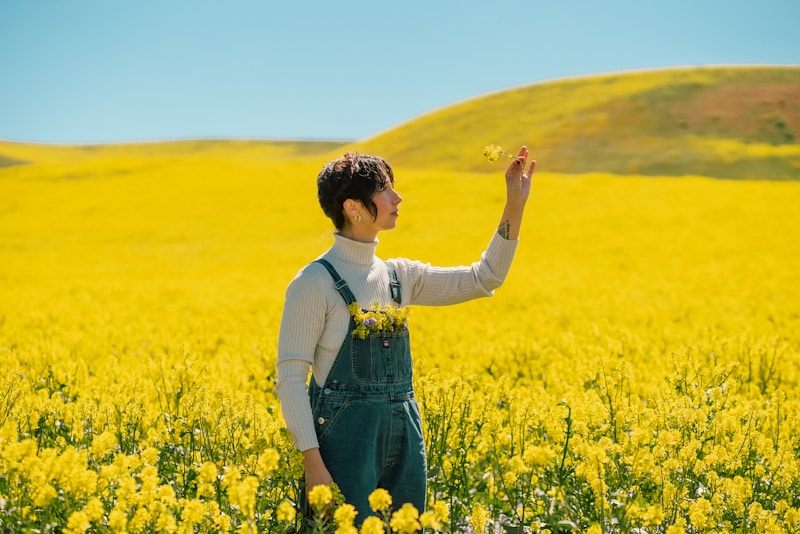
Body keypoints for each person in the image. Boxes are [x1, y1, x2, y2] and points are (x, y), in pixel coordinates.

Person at [276, 146, 534, 524]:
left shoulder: (400, 277)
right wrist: (313, 465)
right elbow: (290, 382)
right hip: (344, 449)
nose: (398, 198)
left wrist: (515, 202)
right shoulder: (314, 282)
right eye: (385, 189)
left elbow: (485, 277)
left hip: (405, 441)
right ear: (353, 207)